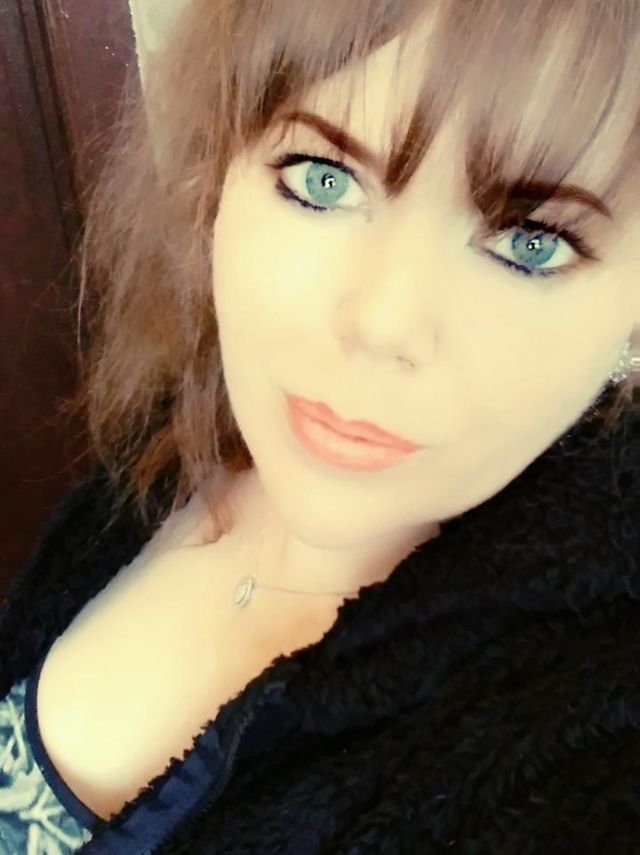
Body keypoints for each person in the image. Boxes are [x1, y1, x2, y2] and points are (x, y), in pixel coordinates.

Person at [1, 0, 639, 852]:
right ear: (220, 177)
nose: (380, 322)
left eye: (531, 241)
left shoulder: (590, 723)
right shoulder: (175, 440)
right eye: (322, 179)